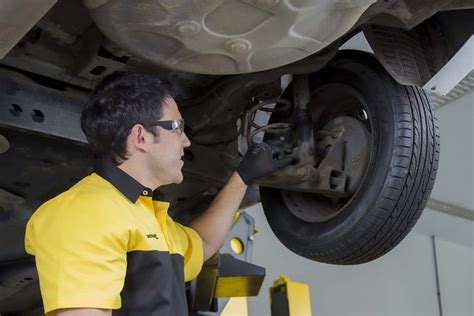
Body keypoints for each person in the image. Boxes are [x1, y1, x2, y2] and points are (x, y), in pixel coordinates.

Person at [25, 72, 292, 316]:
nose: (186, 140)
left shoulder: (144, 215)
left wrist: (243, 177)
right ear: (141, 137)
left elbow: (202, 243)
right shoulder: (83, 214)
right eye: (177, 126)